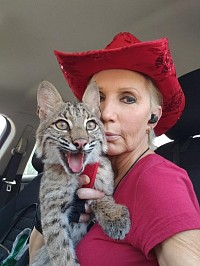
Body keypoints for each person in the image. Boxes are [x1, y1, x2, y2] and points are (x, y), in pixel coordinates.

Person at [29, 32, 200, 265]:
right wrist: (47, 218)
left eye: (128, 98)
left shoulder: (158, 181)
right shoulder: (89, 169)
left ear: (152, 117)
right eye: (99, 98)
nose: (105, 114)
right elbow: (34, 259)